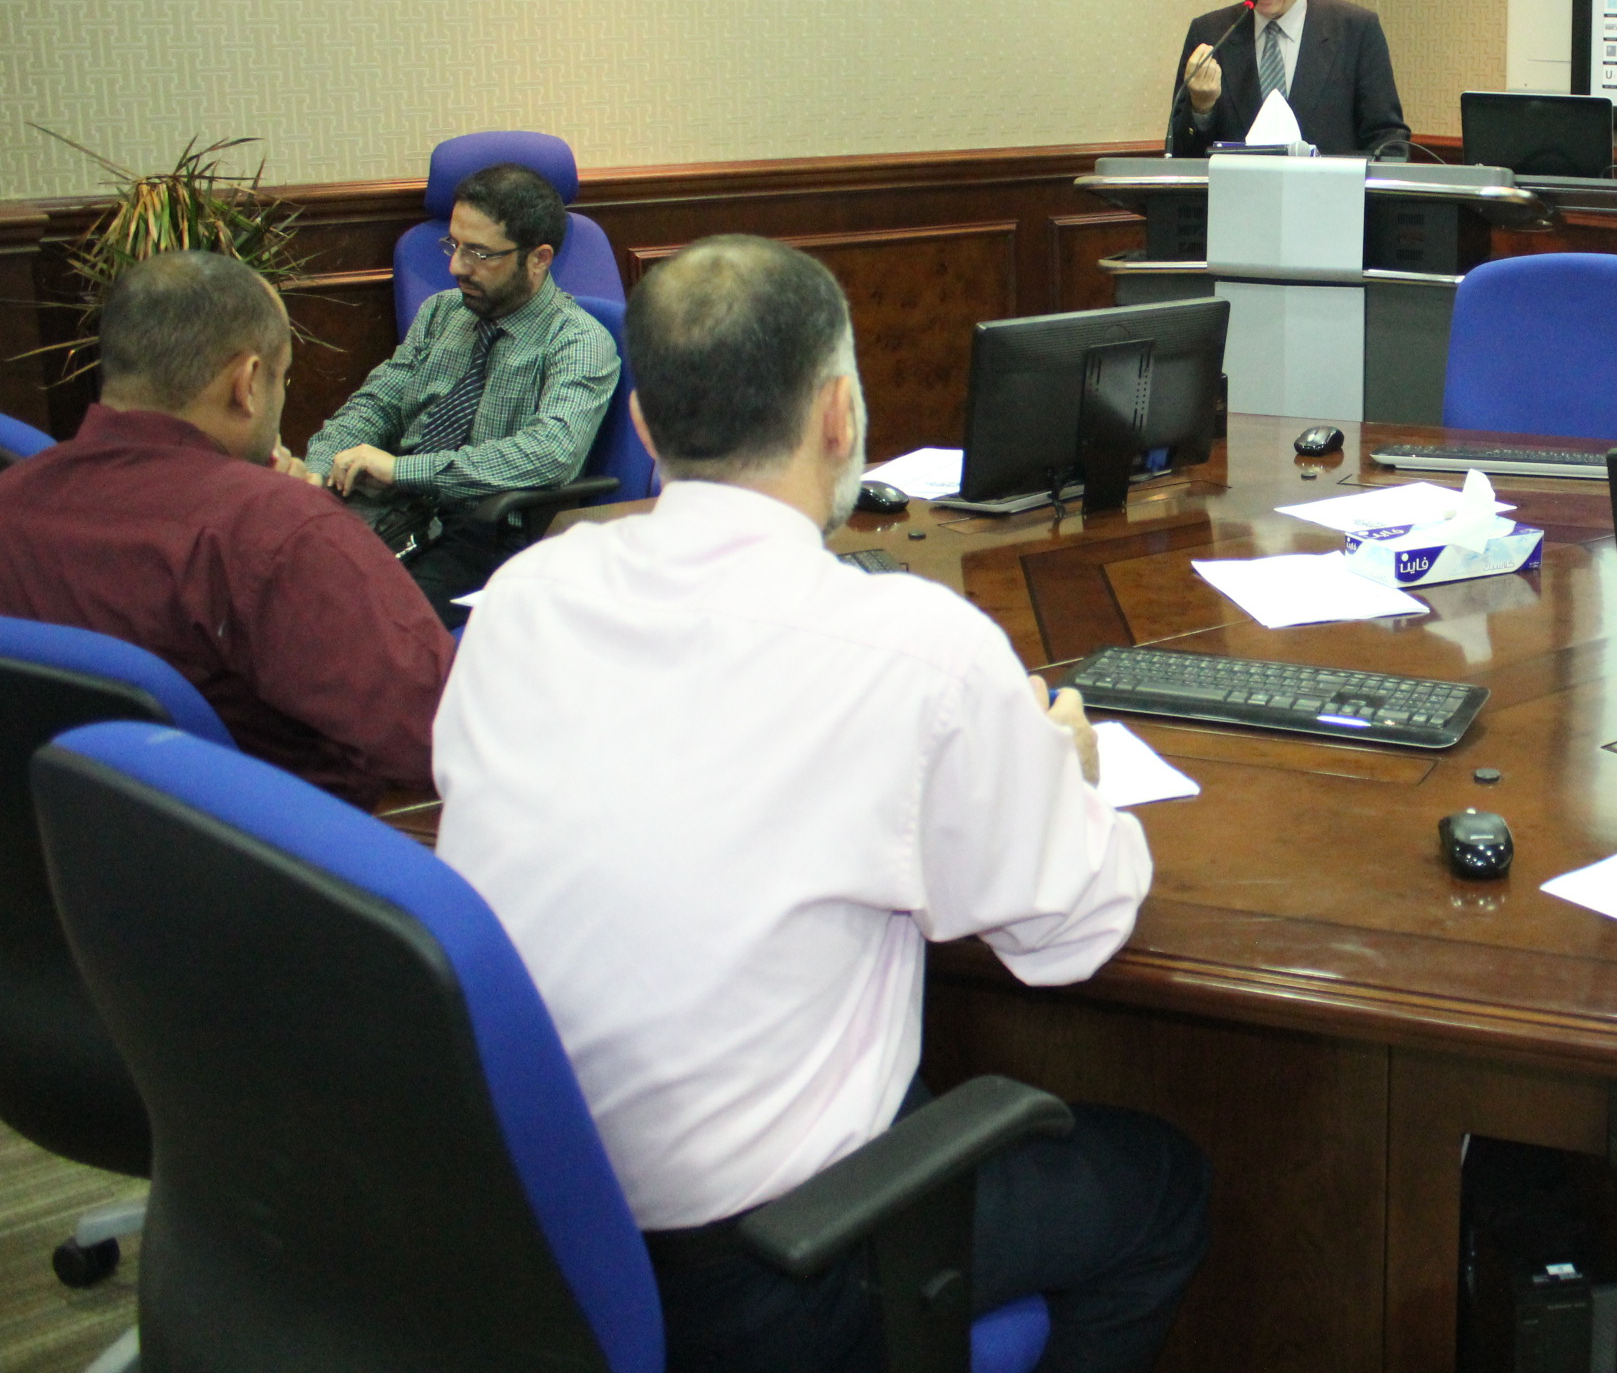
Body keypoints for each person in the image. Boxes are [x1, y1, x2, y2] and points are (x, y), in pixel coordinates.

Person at [434, 235, 1208, 1373]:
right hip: (768, 1277)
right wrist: (1068, 778)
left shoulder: (520, 598)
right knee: (1162, 1191)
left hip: (525, 1243)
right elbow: (1071, 933)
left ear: (641, 424)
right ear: (840, 414)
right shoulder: (916, 650)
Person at [0, 251, 452, 807]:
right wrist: (284, 510)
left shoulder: (12, 498)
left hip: (53, 843)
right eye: (284, 376)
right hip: (289, 847)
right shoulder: (281, 532)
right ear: (248, 382)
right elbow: (444, 736)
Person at [302, 161, 617, 628]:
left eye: (479, 253)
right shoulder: (441, 313)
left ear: (538, 259)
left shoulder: (577, 340)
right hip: (398, 507)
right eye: (454, 245)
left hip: (483, 531)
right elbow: (377, 403)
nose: (456, 267)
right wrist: (317, 469)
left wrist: (404, 470)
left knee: (360, 622)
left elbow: (551, 453)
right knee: (288, 580)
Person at [1165, 0, 1411, 159]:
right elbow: (1179, 155)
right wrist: (1201, 109)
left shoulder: (1356, 30)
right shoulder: (1210, 34)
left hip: (1328, 185)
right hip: (1238, 185)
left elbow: (1388, 142)